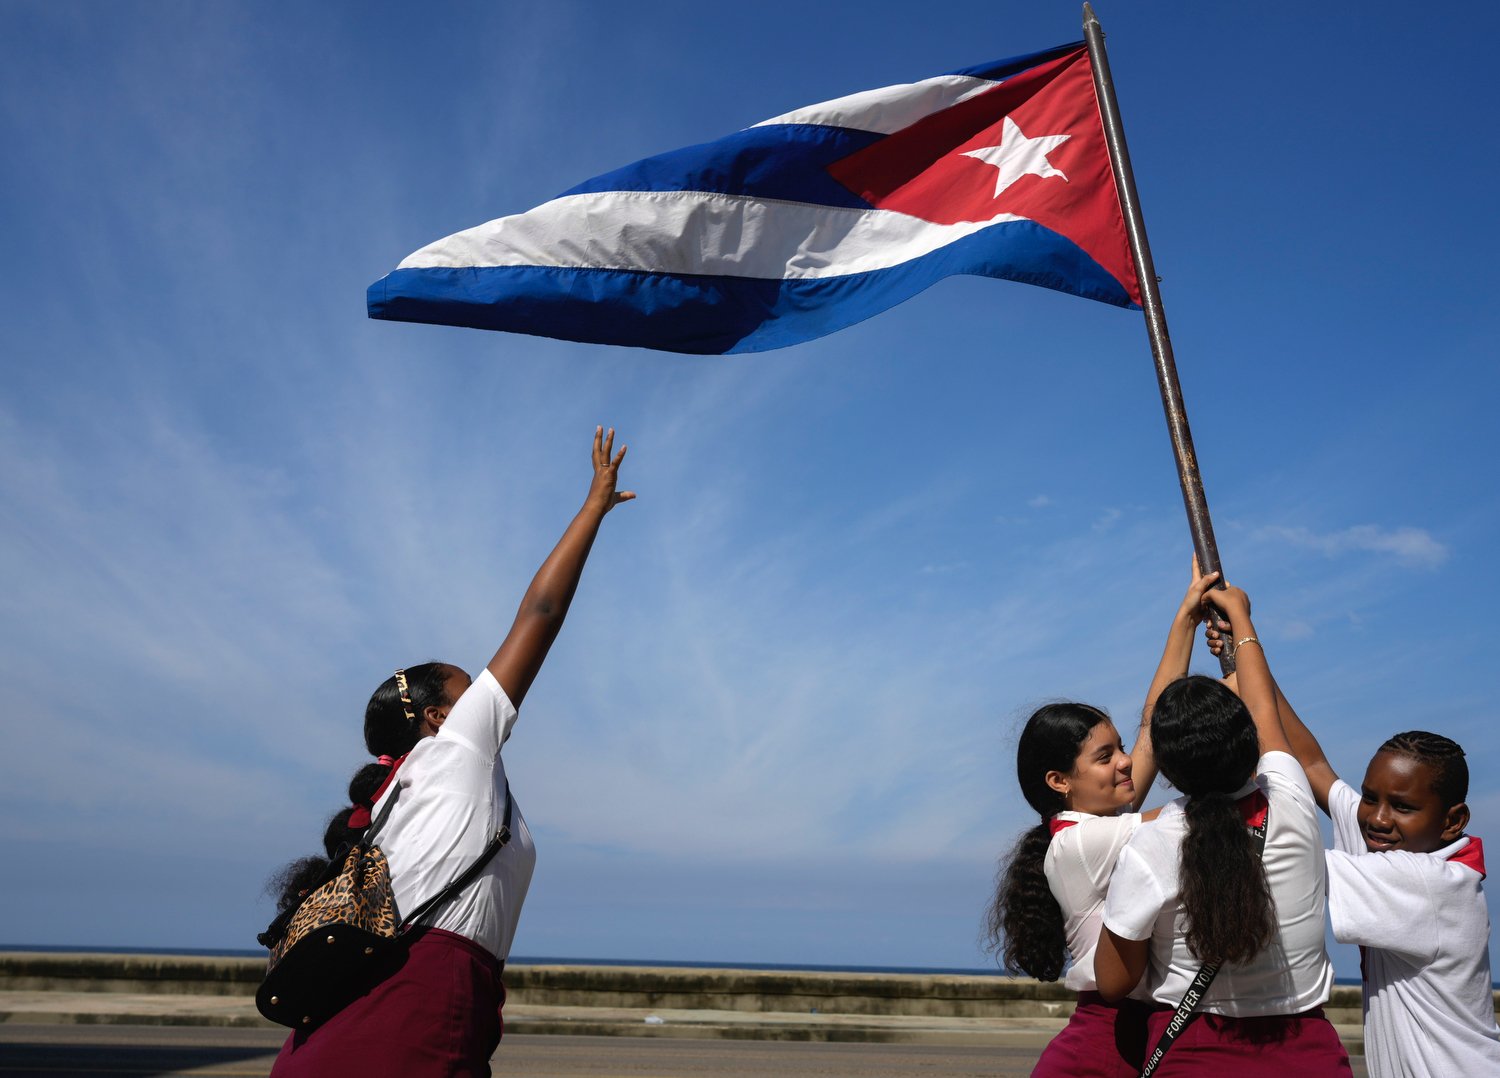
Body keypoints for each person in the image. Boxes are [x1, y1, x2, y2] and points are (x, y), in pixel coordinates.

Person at [265, 426, 633, 1077]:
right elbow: (540, 613)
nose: (489, 687)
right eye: (471, 685)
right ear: (437, 717)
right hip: (401, 1033)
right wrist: (592, 509)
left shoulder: (402, 795)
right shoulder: (455, 750)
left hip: (379, 1034)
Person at [1205, 624, 1500, 1077]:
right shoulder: (1381, 838)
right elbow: (1311, 763)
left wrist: (1243, 643)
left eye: (1403, 807)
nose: (1378, 818)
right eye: (1370, 797)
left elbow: (1290, 845)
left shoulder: (1433, 884)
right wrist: (1245, 654)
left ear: (1453, 821)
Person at [1094, 583, 1351, 1075]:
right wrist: (1242, 619)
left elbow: (1112, 983)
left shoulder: (1152, 846)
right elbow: (1264, 709)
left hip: (1194, 1054)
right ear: (1248, 741)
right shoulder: (1292, 797)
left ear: (1167, 772)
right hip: (1307, 1053)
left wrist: (1186, 620)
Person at [984, 563, 1222, 1076]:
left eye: (1119, 750)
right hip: (1101, 1044)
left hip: (1137, 1031)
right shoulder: (1077, 843)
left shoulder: (1106, 830)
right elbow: (1192, 811)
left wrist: (1185, 619)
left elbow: (1152, 725)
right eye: (1103, 756)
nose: (1124, 762)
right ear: (1058, 781)